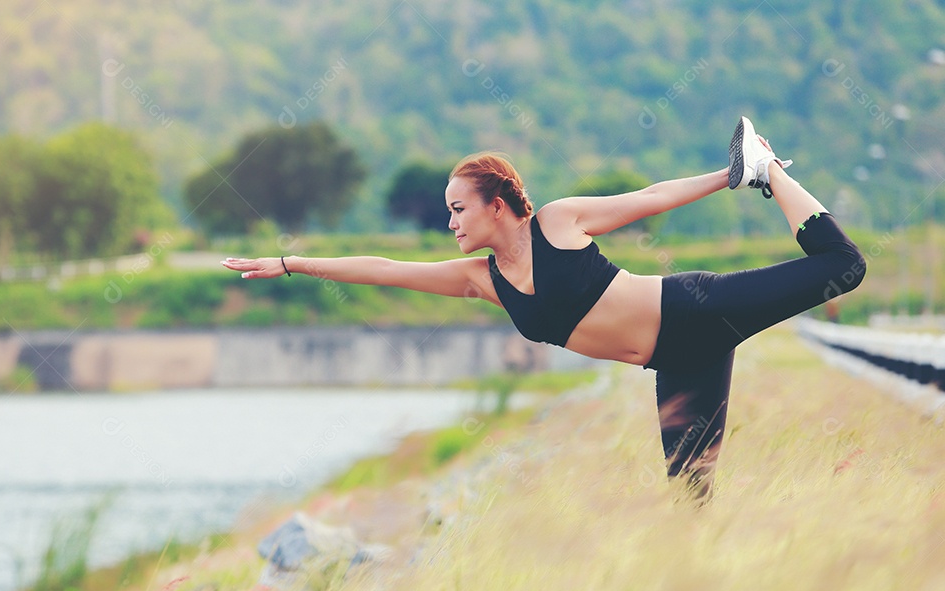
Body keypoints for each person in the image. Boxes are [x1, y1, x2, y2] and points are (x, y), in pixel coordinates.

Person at [221, 117, 866, 501]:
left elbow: (652, 197)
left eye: (457, 208)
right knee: (690, 497)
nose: (450, 222)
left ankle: (770, 170)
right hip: (678, 362)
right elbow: (388, 271)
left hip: (695, 308)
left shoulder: (558, 224)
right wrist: (292, 263)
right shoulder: (484, 280)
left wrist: (736, 175)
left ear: (495, 204)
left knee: (844, 268)